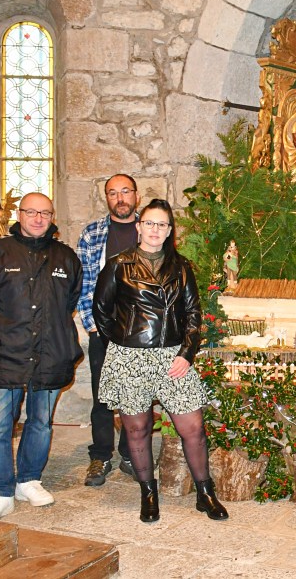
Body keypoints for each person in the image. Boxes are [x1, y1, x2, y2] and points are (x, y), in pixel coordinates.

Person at [93, 199, 228, 524]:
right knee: (137, 429)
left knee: (192, 427)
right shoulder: (118, 264)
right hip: (131, 357)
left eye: (162, 225)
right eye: (150, 223)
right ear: (139, 227)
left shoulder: (181, 267)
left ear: (169, 231)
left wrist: (186, 353)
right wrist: (125, 342)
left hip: (173, 357)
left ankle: (205, 492)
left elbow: (194, 316)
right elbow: (101, 310)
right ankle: (148, 492)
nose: (155, 230)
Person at [0, 192, 84, 521]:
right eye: (31, 211)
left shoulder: (66, 257)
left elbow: (69, 302)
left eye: (45, 212)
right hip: (6, 355)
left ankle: (29, 480)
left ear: (52, 216)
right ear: (19, 213)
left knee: (41, 423)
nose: (38, 218)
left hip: (50, 355)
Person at [77, 173, 140, 486]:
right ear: (107, 198)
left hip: (142, 333)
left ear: (136, 195)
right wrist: (93, 327)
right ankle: (100, 456)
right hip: (104, 330)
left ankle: (130, 455)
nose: (120, 198)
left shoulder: (150, 230)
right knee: (102, 397)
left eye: (125, 191)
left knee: (135, 397)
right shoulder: (92, 233)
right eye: (113, 193)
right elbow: (84, 283)